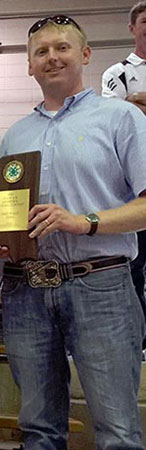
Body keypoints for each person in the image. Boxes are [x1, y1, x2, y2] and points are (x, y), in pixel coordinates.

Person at [0, 15, 146, 450]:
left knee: (117, 431)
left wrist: (85, 222)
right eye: (41, 51)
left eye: (62, 47)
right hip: (27, 291)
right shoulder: (15, 135)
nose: (52, 57)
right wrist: (0, 242)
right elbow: (7, 215)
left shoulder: (123, 119)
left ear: (86, 55)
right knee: (38, 428)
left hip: (102, 286)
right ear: (28, 64)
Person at [102, 1, 146, 350]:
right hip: (135, 185)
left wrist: (138, 102)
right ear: (132, 28)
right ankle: (136, 340)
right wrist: (131, 104)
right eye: (144, 21)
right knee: (134, 264)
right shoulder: (115, 73)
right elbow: (115, 118)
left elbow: (133, 108)